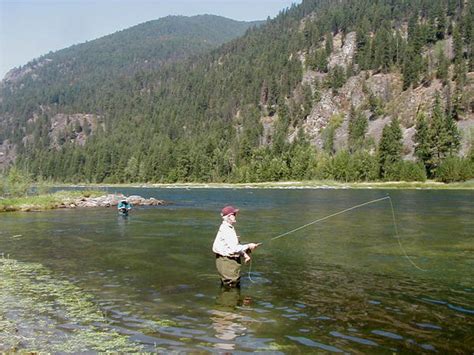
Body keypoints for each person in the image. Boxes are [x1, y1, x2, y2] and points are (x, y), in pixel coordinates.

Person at [212, 205, 261, 288]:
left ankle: (233, 300)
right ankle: (231, 300)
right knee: (231, 286)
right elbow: (234, 248)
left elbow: (232, 246)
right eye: (234, 214)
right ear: (229, 216)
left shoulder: (228, 227)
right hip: (227, 262)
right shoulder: (226, 229)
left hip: (228, 261)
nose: (235, 216)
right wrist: (249, 246)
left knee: (229, 285)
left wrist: (244, 255)